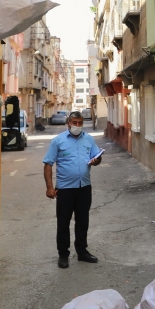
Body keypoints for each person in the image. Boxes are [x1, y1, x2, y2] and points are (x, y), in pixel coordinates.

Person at [43, 111, 103, 268]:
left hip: (84, 187)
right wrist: (49, 187)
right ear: (68, 123)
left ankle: (82, 252)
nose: (77, 126)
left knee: (83, 221)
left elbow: (97, 157)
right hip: (65, 189)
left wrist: (96, 160)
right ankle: (63, 254)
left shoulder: (89, 139)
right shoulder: (58, 141)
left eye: (80, 123)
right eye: (74, 123)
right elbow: (48, 164)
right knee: (63, 223)